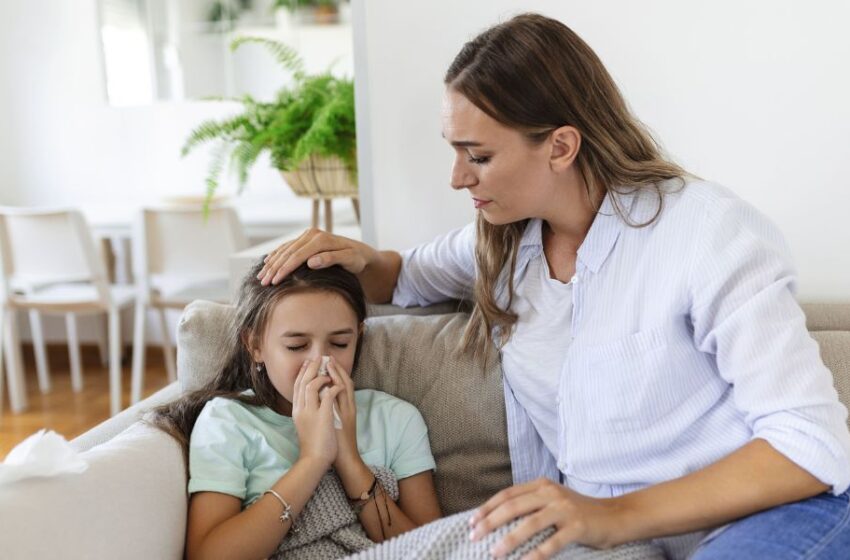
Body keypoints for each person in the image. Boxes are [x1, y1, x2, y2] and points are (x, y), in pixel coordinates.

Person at [256, 12, 850, 560]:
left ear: (561, 146)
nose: (458, 177)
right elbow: (405, 274)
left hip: (769, 518)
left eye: (479, 156)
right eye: (455, 151)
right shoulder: (507, 245)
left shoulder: (709, 232)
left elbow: (811, 445)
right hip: (617, 543)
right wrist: (345, 255)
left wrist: (609, 516)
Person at [151, 260, 442, 560]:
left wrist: (349, 460)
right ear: (255, 345)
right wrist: (313, 459)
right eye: (296, 346)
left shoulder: (397, 419)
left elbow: (438, 550)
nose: (321, 362)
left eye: (340, 343)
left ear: (359, 336)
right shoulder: (227, 422)